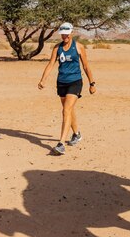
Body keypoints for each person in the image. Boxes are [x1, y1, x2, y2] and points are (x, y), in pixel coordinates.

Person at [37, 22, 96, 155]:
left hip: (75, 82)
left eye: (67, 33)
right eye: (62, 34)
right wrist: (43, 79)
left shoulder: (79, 47)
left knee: (66, 110)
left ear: (71, 33)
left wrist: (92, 83)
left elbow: (86, 66)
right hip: (61, 82)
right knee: (68, 110)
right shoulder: (57, 48)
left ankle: (61, 143)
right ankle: (76, 134)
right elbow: (51, 64)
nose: (64, 36)